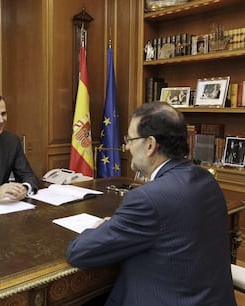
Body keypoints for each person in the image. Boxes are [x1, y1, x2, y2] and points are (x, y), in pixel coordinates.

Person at [67, 102, 235, 305]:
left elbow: (80, 252)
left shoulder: (148, 199)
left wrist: (99, 228)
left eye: (130, 139)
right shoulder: (206, 179)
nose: (127, 147)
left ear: (150, 145)